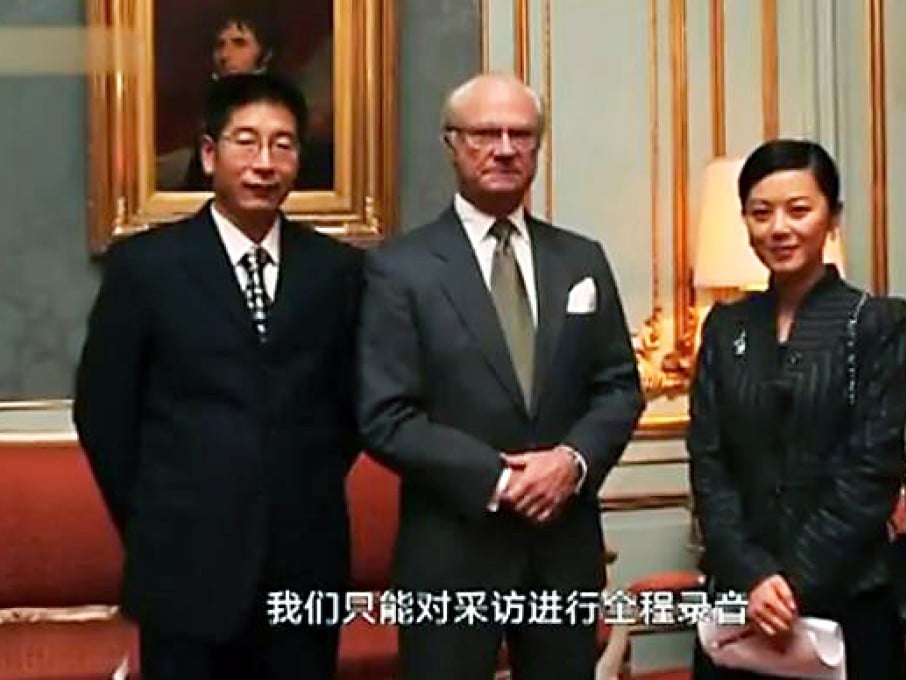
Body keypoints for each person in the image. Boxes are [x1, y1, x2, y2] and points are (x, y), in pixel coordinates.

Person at [356, 72, 645, 680]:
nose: (506, 148)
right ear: (452, 144)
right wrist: (500, 479)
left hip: (562, 552)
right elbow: (386, 415)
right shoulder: (399, 268)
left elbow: (619, 386)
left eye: (523, 134)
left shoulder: (580, 258)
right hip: (452, 555)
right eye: (487, 133)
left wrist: (570, 461)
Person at [74, 73, 362, 680]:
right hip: (183, 567)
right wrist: (159, 515)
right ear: (209, 154)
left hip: (303, 565)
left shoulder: (339, 272)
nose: (265, 163)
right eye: (247, 142)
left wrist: (292, 485)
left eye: (283, 145)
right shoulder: (146, 268)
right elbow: (103, 414)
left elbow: (349, 410)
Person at [687, 139, 906, 679]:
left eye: (799, 209)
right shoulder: (726, 327)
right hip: (739, 598)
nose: (779, 229)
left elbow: (872, 469)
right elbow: (709, 463)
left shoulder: (875, 322)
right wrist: (752, 575)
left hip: (844, 595)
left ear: (832, 218)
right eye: (761, 213)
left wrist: (790, 583)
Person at [175, 6, 333, 191]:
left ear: (266, 53)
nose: (225, 55)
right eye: (220, 45)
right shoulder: (210, 107)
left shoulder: (286, 105)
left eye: (239, 43)